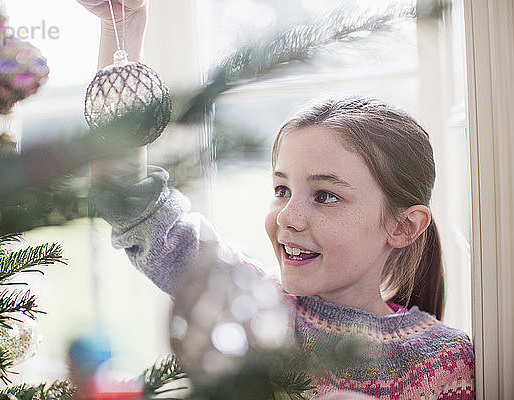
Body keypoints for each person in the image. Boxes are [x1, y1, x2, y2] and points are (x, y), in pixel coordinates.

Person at [79, 1, 475, 399]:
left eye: (325, 196)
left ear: (403, 226)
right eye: (282, 190)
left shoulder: (445, 361)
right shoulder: (247, 305)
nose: (289, 216)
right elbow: (128, 202)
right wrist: (122, 29)